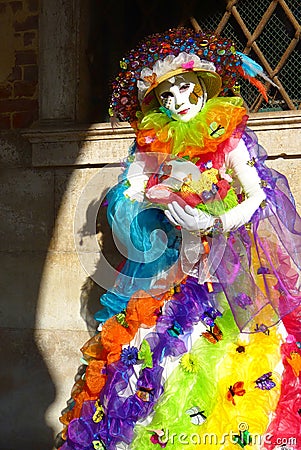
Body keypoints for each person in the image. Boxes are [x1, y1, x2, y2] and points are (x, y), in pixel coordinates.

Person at [58, 27, 301, 450]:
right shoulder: (155, 141)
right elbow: (130, 187)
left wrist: (218, 223)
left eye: (184, 88)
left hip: (230, 265)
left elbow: (256, 192)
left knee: (236, 354)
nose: (178, 102)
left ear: (203, 87)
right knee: (154, 355)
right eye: (166, 96)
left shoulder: (227, 135)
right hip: (171, 263)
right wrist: (152, 192)